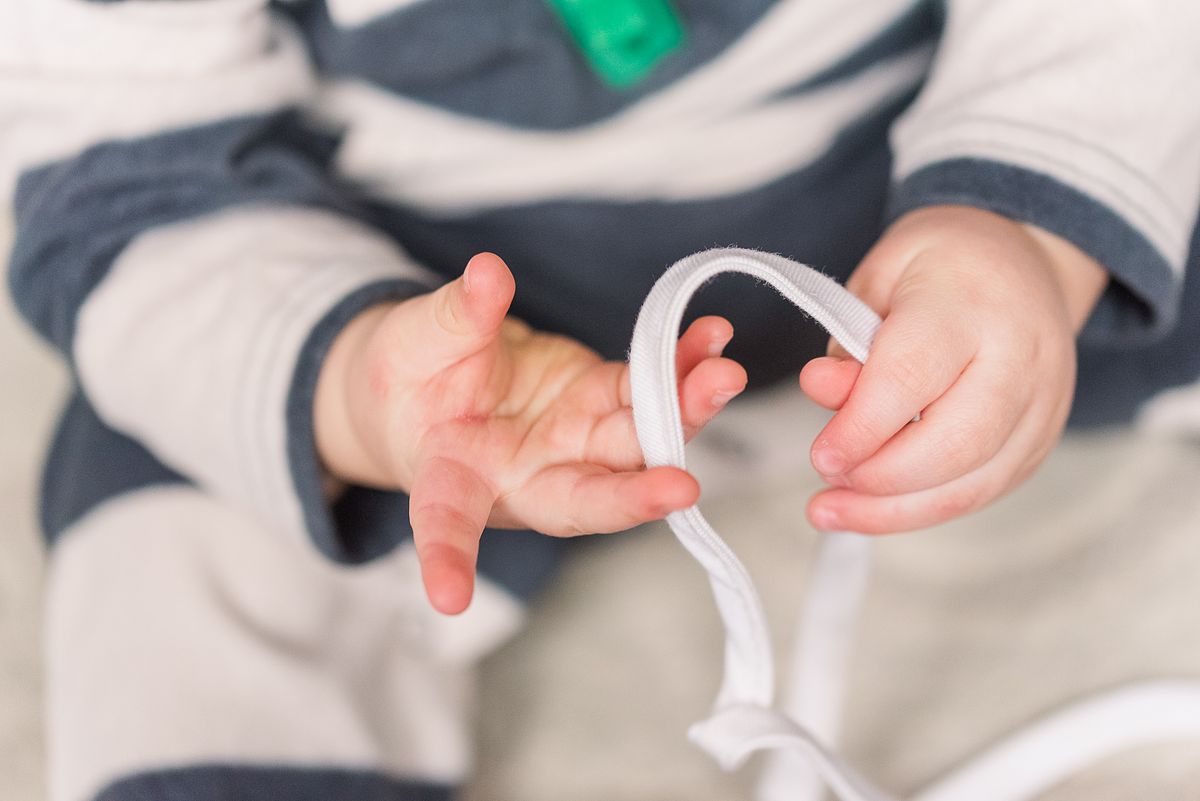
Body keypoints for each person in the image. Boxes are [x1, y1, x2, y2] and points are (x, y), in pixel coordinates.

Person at [2, 1, 1198, 799]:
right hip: (445, 309)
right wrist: (357, 387)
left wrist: (1032, 226)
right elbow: (120, 177)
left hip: (943, 179)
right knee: (170, 494)